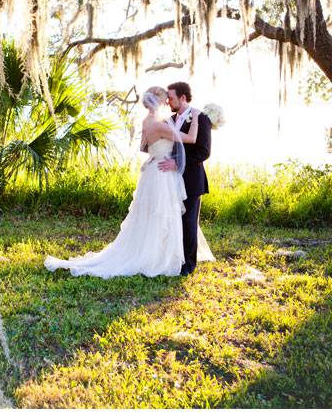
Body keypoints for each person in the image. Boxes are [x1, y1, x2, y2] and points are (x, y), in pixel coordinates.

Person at [43, 86, 214, 278]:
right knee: (162, 215)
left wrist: (158, 153)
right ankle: (159, 257)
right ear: (158, 101)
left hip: (155, 171)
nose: (167, 102)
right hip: (161, 174)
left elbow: (144, 146)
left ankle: (172, 257)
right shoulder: (162, 124)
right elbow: (190, 138)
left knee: (159, 217)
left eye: (170, 98)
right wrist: (196, 118)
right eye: (165, 99)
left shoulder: (148, 121)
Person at [157, 81, 214, 275]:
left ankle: (188, 265)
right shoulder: (169, 120)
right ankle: (173, 258)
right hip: (170, 180)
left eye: (171, 98)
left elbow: (204, 152)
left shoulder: (201, 118)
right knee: (173, 220)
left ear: (182, 97)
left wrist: (178, 163)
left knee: (188, 222)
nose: (168, 102)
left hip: (191, 179)